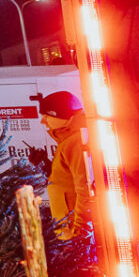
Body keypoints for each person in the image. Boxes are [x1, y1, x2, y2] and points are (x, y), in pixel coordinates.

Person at [36, 90, 93, 240]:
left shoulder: (75, 143)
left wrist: (79, 231)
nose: (43, 121)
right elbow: (65, 180)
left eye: (46, 116)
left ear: (60, 115)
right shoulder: (68, 142)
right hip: (69, 229)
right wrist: (45, 166)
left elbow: (85, 188)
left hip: (75, 232)